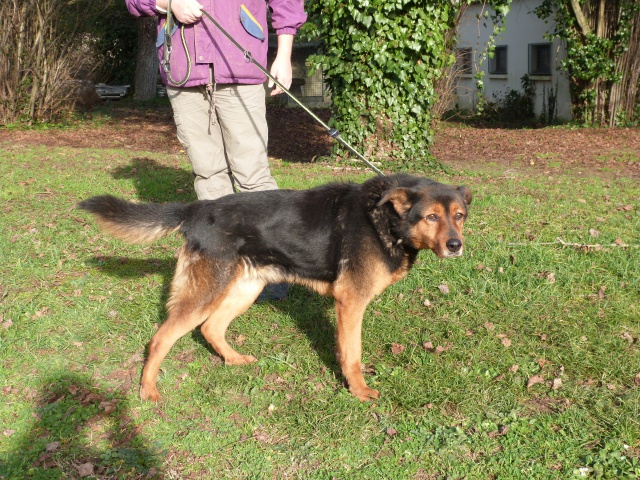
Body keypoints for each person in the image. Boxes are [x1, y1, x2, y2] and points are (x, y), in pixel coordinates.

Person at [126, 0, 306, 299]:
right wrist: (169, 3)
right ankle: (225, 267)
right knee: (208, 175)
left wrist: (284, 54)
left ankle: (272, 271)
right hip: (183, 71)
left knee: (253, 177)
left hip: (240, 65)